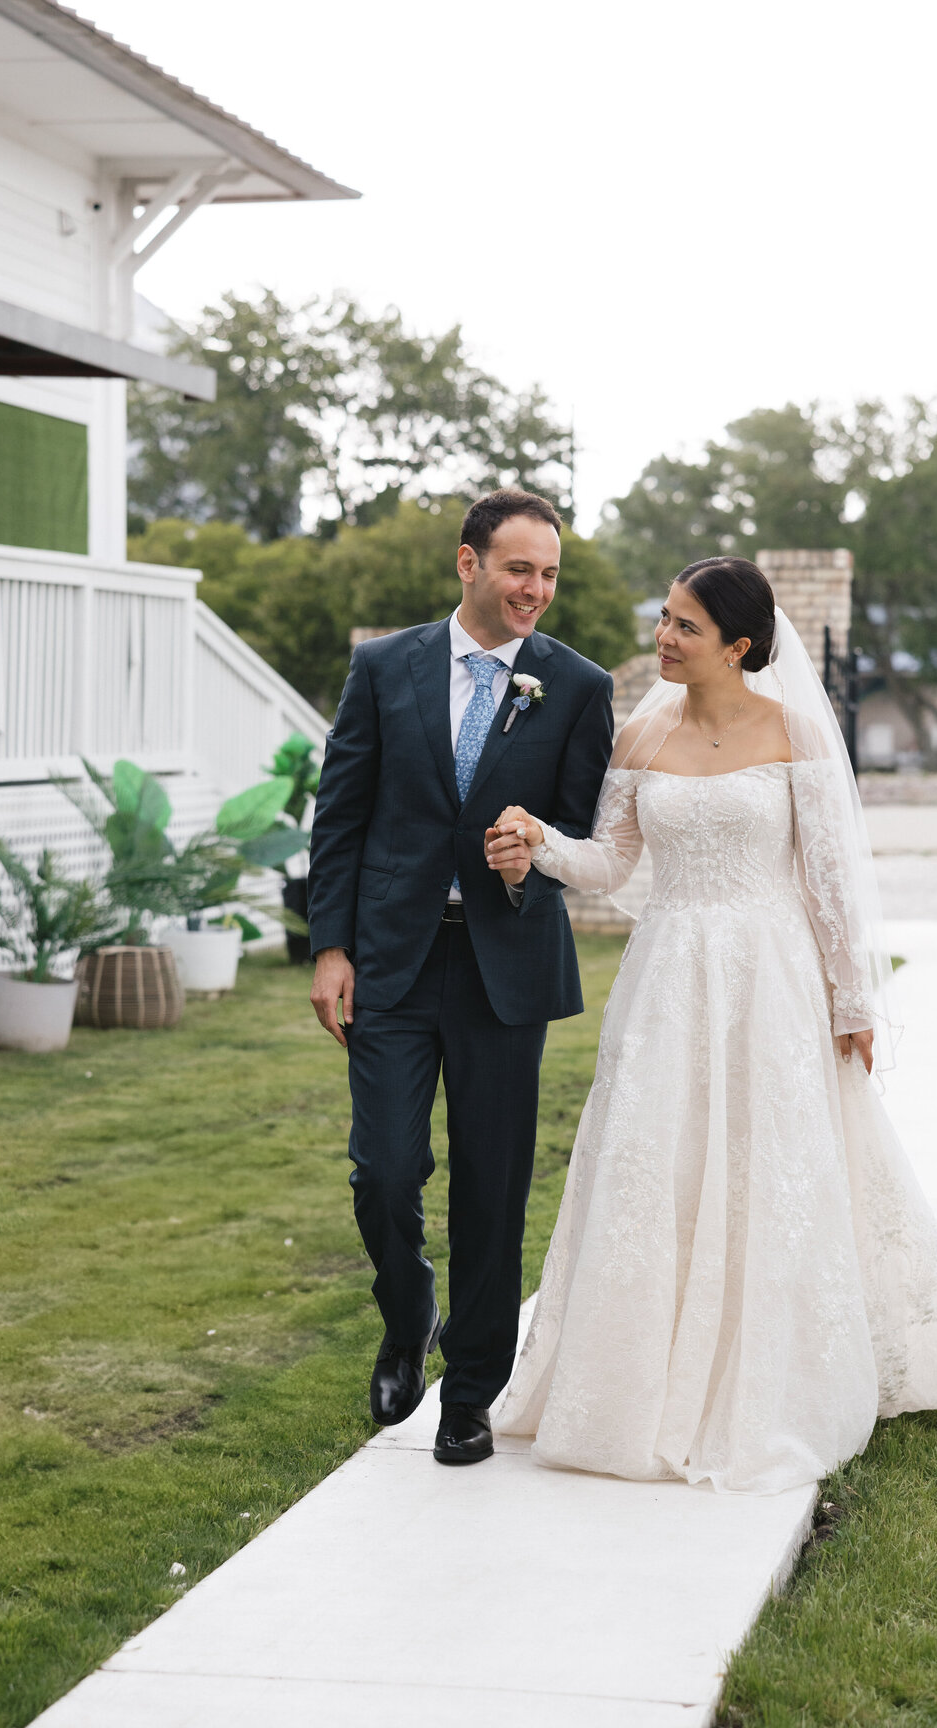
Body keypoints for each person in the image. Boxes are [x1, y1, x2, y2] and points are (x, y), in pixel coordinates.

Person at [487, 556, 937, 1495]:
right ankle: (639, 1378)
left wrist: (849, 1001)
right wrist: (538, 844)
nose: (662, 638)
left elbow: (827, 880)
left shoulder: (795, 730)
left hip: (773, 980)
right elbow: (611, 866)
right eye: (663, 618)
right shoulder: (642, 731)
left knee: (774, 1165)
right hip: (667, 980)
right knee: (664, 1164)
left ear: (738, 645)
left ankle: (772, 1377)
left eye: (685, 627)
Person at [306, 489, 614, 1466]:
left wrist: (535, 859)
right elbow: (342, 813)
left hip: (505, 965)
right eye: (521, 568)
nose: (536, 589)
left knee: (494, 1185)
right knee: (384, 1170)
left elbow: (582, 832)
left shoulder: (575, 684)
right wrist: (330, 946)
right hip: (393, 956)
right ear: (467, 563)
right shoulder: (383, 665)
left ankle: (470, 1392)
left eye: (550, 573)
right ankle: (408, 1317)